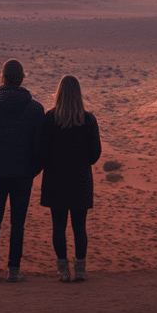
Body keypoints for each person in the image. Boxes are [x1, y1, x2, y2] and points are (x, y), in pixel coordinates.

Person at [0, 58, 45, 282]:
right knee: (17, 223)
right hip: (23, 174)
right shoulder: (36, 109)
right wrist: (33, 170)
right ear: (22, 78)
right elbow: (40, 147)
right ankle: (14, 270)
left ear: (2, 78)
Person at [39, 74, 101, 282]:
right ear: (79, 94)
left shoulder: (50, 118)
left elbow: (43, 152)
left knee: (58, 226)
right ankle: (81, 269)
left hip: (55, 180)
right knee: (79, 227)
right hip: (80, 180)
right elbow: (95, 155)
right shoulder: (89, 119)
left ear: (59, 93)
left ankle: (63, 270)